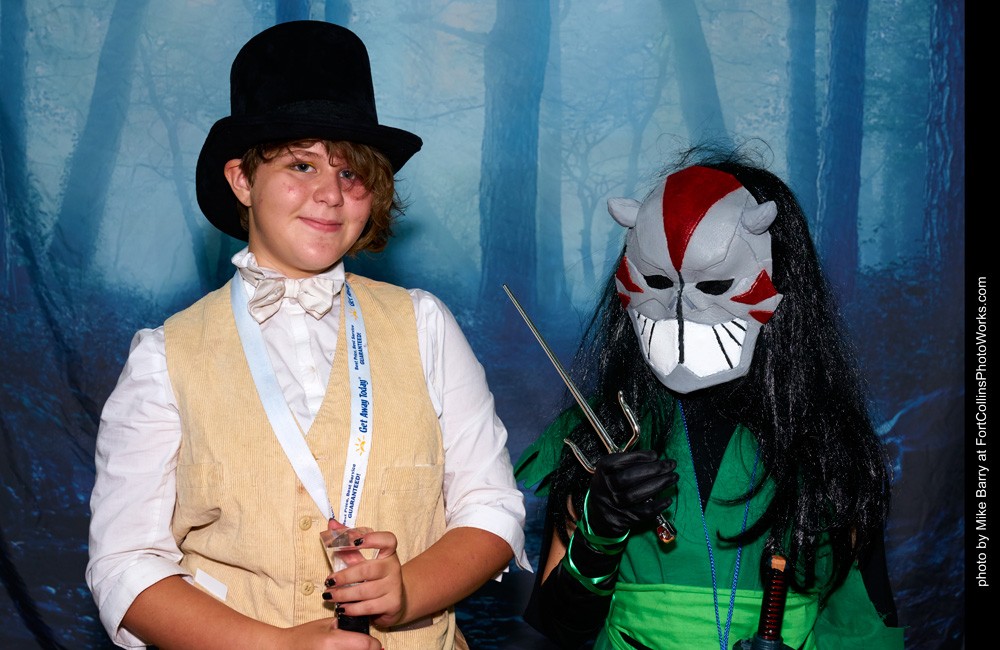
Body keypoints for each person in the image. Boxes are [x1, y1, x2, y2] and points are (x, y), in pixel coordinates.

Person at [86, 20, 529, 650]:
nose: (330, 195)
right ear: (242, 180)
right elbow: (125, 564)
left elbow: (491, 507)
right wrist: (276, 646)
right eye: (302, 165)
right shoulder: (165, 357)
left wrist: (406, 592)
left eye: (352, 175)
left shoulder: (424, 326)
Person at [514, 146, 905, 649]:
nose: (681, 309)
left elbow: (865, 623)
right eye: (659, 281)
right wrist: (599, 530)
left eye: (715, 282)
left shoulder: (827, 446)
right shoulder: (598, 432)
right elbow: (559, 625)